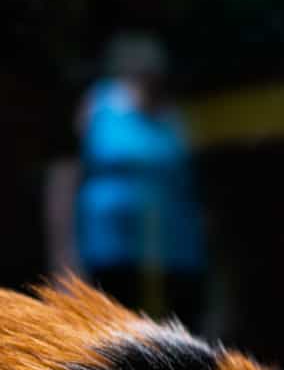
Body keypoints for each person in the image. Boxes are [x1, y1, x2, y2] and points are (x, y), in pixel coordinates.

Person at [47, 34, 206, 328]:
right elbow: (65, 177)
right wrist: (64, 254)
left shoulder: (176, 115)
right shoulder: (96, 106)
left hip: (175, 256)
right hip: (108, 255)